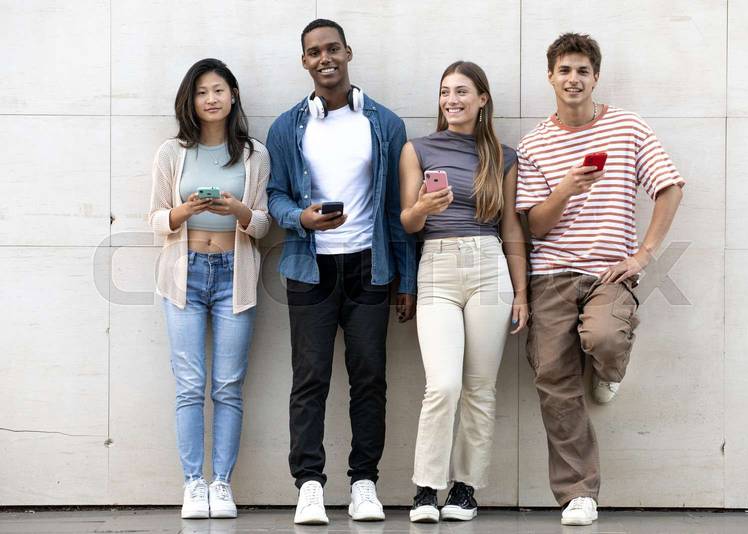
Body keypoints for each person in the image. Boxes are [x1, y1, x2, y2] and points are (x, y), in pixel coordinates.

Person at [516, 33, 685, 526]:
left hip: (609, 272)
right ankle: (578, 495)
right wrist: (568, 187)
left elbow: (669, 187)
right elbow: (534, 225)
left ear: (595, 77)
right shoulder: (534, 143)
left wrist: (644, 254)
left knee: (605, 338)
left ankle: (609, 371)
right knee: (552, 377)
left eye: (582, 71)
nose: (573, 79)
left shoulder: (628, 127)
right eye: (564, 70)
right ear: (551, 77)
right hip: (550, 275)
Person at [265, 19, 417, 525]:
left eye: (332, 48)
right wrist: (300, 217)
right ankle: (308, 484)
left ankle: (364, 484)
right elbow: (276, 196)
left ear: (348, 52)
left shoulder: (384, 124)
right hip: (310, 269)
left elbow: (398, 208)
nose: (324, 58)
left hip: (370, 267)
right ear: (304, 61)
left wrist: (406, 280)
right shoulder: (287, 126)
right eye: (313, 52)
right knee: (309, 378)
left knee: (369, 377)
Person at [400, 61, 529, 523]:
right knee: (444, 385)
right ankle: (425, 489)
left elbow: (512, 227)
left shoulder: (503, 155)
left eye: (461, 92)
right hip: (435, 263)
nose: (451, 100)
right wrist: (422, 206)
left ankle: (465, 488)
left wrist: (521, 292)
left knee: (479, 387)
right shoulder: (417, 149)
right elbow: (407, 223)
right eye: (444, 92)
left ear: (482, 99)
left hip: (489, 264)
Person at [148, 58, 270, 519]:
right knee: (189, 385)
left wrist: (237, 209)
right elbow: (156, 218)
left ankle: (222, 484)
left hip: (233, 275)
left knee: (228, 385)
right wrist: (185, 210)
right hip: (184, 274)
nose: (211, 99)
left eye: (219, 90)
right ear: (191, 101)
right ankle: (193, 484)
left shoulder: (255, 154)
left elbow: (261, 225)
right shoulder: (171, 153)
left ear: (233, 95)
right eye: (202, 92)